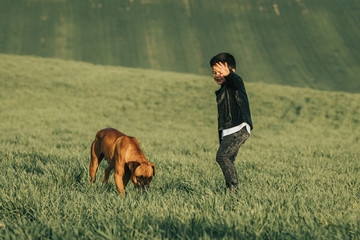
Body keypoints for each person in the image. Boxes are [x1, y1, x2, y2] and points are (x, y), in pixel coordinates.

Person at [210, 52, 253, 192]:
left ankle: (234, 189)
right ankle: (230, 189)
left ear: (231, 71)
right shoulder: (222, 89)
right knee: (228, 159)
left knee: (222, 156)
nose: (217, 75)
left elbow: (237, 80)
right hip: (229, 130)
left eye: (220, 71)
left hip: (238, 127)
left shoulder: (235, 84)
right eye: (214, 72)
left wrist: (229, 75)